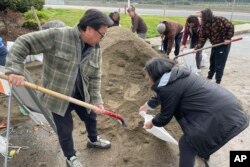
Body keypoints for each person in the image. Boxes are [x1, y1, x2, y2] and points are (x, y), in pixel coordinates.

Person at [5, 9, 113, 167]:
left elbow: (95, 77)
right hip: (58, 95)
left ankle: (93, 140)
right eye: (101, 34)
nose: (102, 39)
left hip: (80, 93)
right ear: (89, 28)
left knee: (91, 116)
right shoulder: (58, 36)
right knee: (65, 129)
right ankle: (71, 157)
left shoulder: (96, 50)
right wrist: (15, 70)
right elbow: (23, 42)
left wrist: (96, 99)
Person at [139, 57, 249, 167]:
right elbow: (162, 96)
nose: (148, 80)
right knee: (196, 135)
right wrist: (146, 106)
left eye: (148, 77)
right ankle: (203, 152)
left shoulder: (168, 87)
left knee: (187, 143)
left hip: (218, 114)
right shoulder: (177, 76)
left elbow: (165, 116)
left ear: (155, 74)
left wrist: (152, 122)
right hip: (230, 106)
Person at [195, 8, 234, 84]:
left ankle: (217, 81)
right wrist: (197, 48)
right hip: (215, 44)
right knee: (212, 61)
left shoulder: (220, 19)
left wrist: (228, 38)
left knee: (219, 63)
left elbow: (230, 27)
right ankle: (209, 77)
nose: (201, 19)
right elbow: (202, 38)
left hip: (223, 44)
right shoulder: (204, 24)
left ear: (207, 16)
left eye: (202, 17)